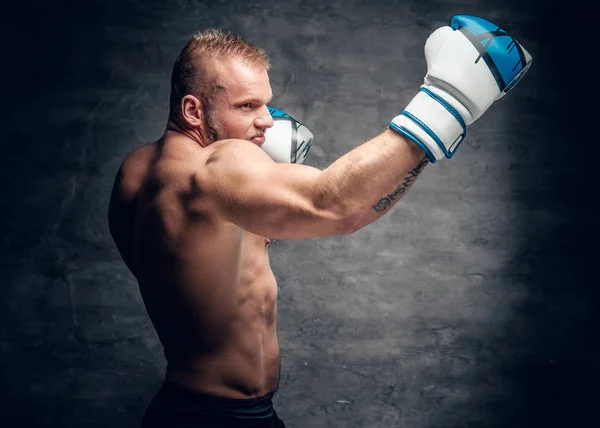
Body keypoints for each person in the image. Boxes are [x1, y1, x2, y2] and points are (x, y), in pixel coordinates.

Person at [108, 15, 531, 428]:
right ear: (193, 110)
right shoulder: (220, 165)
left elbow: (183, 276)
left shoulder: (134, 173)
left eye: (266, 103)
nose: (267, 121)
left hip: (177, 408)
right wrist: (449, 101)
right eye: (247, 106)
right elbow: (338, 207)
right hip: (226, 417)